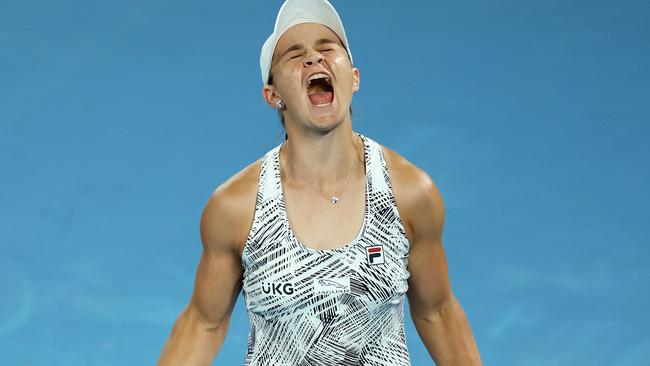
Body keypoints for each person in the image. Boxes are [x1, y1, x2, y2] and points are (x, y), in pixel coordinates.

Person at [157, 0, 482, 365]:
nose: (314, 59)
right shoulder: (236, 206)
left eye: (327, 48)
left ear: (354, 78)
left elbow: (437, 312)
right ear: (273, 95)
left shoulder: (410, 192)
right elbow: (203, 322)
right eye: (294, 55)